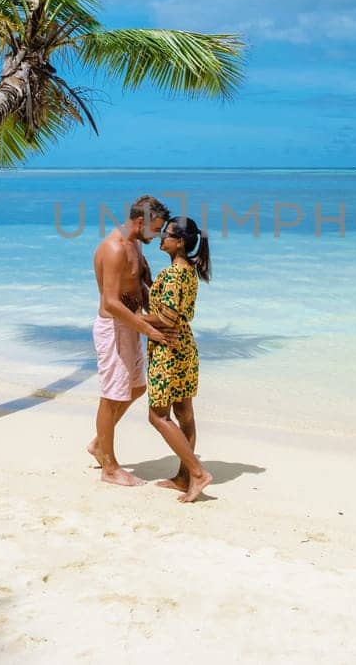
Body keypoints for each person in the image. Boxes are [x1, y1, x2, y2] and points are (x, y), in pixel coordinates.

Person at [88, 194, 171, 487]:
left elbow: (138, 286)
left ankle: (100, 443)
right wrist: (148, 330)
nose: (158, 234)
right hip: (114, 328)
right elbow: (110, 302)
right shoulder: (114, 248)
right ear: (140, 222)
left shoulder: (134, 242)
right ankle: (109, 467)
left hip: (130, 324)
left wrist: (162, 316)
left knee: (135, 388)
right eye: (155, 228)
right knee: (112, 397)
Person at [144, 216, 213, 502]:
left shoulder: (173, 275)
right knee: (185, 414)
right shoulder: (188, 271)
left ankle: (197, 473)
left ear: (180, 242)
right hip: (185, 346)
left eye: (167, 234)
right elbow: (172, 308)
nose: (161, 237)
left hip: (168, 349)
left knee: (158, 415)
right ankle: (184, 477)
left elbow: (166, 318)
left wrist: (134, 318)